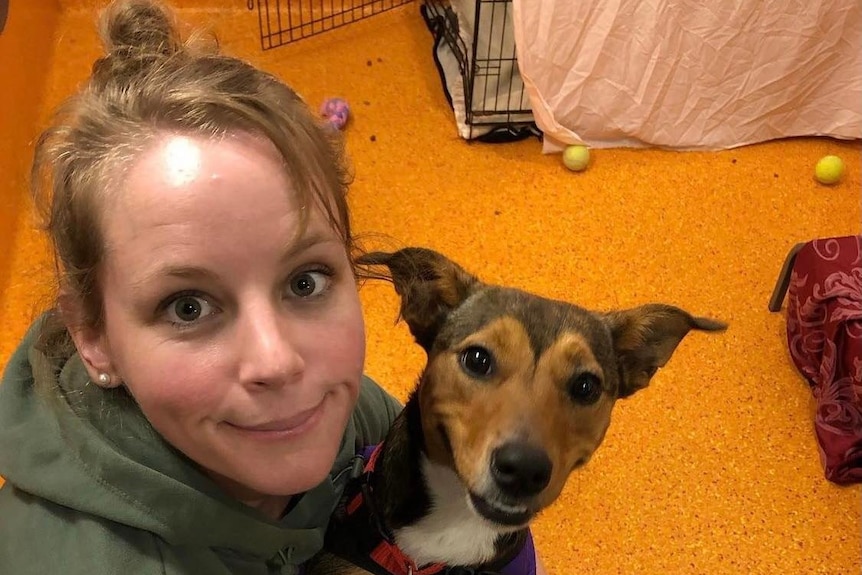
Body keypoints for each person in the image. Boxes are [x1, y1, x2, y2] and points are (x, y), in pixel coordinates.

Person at [0, 0, 402, 572]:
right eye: (188, 307)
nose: (277, 361)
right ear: (94, 337)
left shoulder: (342, 412)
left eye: (305, 282)